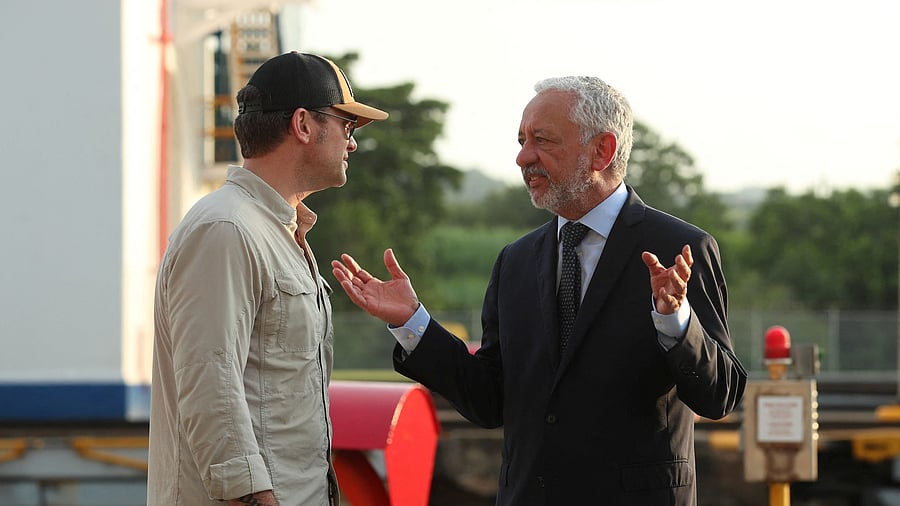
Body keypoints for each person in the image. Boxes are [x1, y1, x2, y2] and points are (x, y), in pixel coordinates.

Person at [331, 76, 747, 505]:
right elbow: (489, 401)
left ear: (602, 150)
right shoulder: (515, 261)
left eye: (542, 140)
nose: (523, 157)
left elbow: (719, 397)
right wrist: (412, 321)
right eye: (521, 140)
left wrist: (675, 321)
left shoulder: (680, 249)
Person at [147, 51, 388, 506]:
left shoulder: (272, 229)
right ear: (302, 124)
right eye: (347, 126)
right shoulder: (227, 229)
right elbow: (210, 384)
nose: (352, 144)